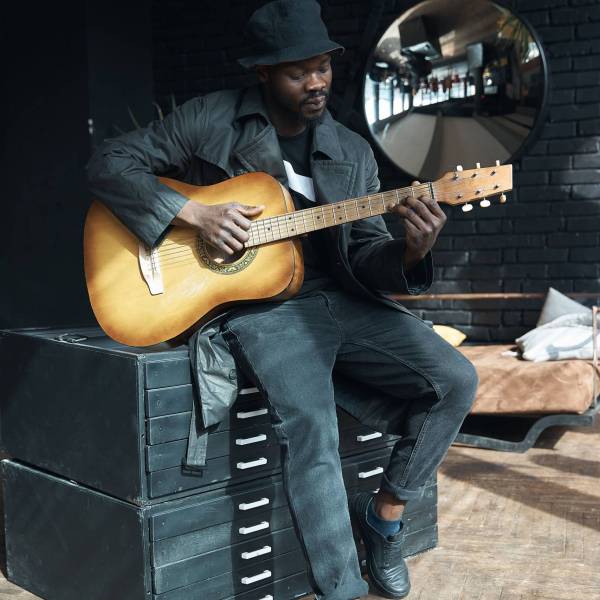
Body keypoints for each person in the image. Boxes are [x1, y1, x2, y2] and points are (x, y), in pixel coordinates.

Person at [87, 2, 478, 599]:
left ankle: (386, 517)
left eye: (323, 67)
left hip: (338, 300)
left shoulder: (350, 151)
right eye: (298, 72)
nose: (316, 82)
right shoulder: (210, 118)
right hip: (262, 307)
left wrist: (411, 251)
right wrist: (193, 213)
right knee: (312, 428)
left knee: (455, 378)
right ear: (264, 74)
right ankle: (342, 590)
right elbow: (108, 162)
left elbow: (371, 258)